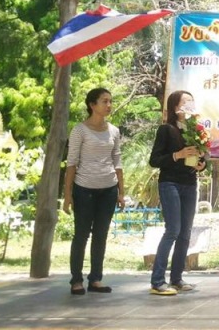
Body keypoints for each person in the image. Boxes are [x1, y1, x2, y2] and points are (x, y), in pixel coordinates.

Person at [63, 88, 125, 295]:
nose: (109, 105)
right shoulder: (79, 130)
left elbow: (117, 161)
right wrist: (68, 194)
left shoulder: (114, 131)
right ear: (92, 105)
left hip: (108, 189)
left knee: (101, 235)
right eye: (104, 101)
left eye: (110, 101)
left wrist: (121, 192)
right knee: (81, 235)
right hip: (84, 189)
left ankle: (96, 279)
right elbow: (71, 163)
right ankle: (76, 280)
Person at [148, 90, 206, 295]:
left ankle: (177, 278)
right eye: (185, 101)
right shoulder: (166, 129)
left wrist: (201, 164)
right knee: (173, 230)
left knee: (185, 233)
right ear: (175, 107)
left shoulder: (196, 130)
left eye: (192, 100)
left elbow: (202, 157)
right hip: (170, 183)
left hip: (190, 182)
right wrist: (177, 155)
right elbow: (154, 160)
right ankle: (157, 281)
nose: (190, 104)